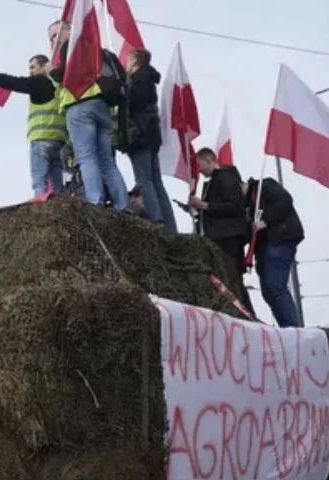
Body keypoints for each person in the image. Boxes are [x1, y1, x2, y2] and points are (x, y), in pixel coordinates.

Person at [47, 20, 129, 209]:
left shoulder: (72, 45)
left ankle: (94, 202)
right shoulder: (95, 48)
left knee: (86, 157)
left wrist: (52, 71)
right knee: (107, 162)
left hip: (79, 104)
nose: (55, 40)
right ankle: (123, 205)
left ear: (69, 31)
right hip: (101, 105)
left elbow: (66, 75)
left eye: (57, 34)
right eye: (51, 37)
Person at [0, 55, 67, 198]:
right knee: (58, 186)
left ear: (44, 66)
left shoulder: (39, 81)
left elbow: (12, 82)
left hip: (41, 140)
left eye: (33, 67)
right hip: (60, 141)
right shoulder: (59, 85)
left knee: (39, 183)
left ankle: (39, 214)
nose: (30, 72)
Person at [188, 148, 254, 315]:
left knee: (232, 279)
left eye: (199, 164)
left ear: (209, 159)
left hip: (228, 237)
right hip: (220, 236)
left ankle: (245, 313)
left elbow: (233, 206)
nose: (199, 170)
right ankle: (242, 312)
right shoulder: (215, 181)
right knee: (227, 279)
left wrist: (205, 205)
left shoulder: (226, 177)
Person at [123, 48, 176, 233]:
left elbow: (132, 104)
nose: (125, 64)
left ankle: (157, 220)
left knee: (144, 179)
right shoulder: (149, 79)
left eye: (127, 60)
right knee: (156, 181)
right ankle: (169, 225)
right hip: (152, 136)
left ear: (135, 61)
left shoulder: (138, 80)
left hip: (140, 135)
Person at [245, 176, 305, 327]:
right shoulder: (247, 205)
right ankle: (286, 327)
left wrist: (265, 221)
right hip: (264, 247)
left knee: (275, 286)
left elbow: (285, 200)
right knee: (268, 291)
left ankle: (293, 329)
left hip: (280, 240)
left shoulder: (264, 186)